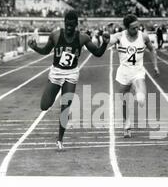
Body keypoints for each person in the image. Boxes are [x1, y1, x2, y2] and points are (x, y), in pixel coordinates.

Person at [28, 10, 110, 151]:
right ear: (64, 23)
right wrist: (35, 47)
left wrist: (104, 43)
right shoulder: (56, 35)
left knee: (65, 106)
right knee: (44, 106)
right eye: (67, 25)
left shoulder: (82, 38)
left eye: (72, 25)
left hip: (71, 73)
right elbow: (46, 51)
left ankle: (60, 140)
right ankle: (51, 93)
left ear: (76, 25)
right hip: (56, 73)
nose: (69, 28)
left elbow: (97, 53)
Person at [107, 14, 159, 138]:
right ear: (126, 28)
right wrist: (107, 38)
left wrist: (155, 66)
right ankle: (127, 126)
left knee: (141, 100)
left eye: (138, 27)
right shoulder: (119, 36)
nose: (137, 30)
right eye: (133, 28)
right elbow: (109, 41)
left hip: (138, 72)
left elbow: (152, 50)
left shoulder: (143, 36)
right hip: (124, 73)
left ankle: (138, 94)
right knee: (124, 102)